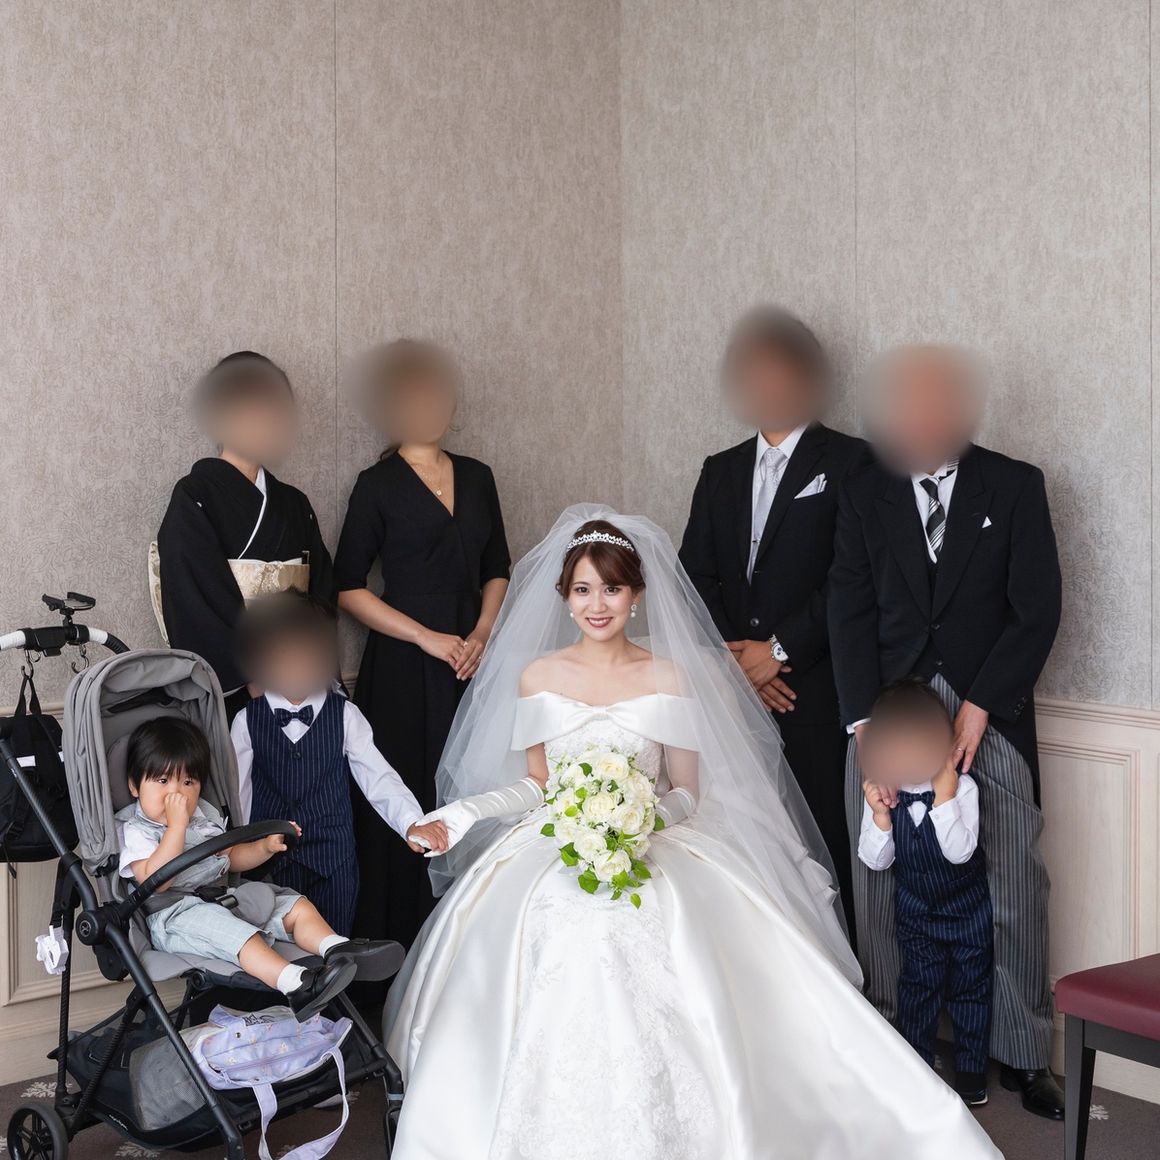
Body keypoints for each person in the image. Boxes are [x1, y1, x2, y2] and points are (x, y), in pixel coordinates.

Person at [383, 508, 1001, 1160]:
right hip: (556, 839)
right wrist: (460, 816)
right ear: (564, 597)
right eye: (584, 589)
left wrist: (638, 821)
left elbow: (685, 790)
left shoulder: (667, 677)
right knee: (557, 922)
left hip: (652, 837)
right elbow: (538, 785)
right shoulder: (537, 676)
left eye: (612, 588)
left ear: (636, 594)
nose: (598, 604)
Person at [828, 345, 1063, 1119]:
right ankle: (896, 1038)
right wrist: (863, 723)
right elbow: (847, 609)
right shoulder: (863, 491)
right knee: (879, 879)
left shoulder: (1016, 485)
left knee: (1012, 878)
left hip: (986, 706)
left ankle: (1023, 1054)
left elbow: (1038, 609)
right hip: (885, 707)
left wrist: (981, 702)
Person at [679, 306, 867, 933]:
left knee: (825, 844)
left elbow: (852, 578)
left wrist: (778, 652)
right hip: (732, 697)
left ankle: (842, 976)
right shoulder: (720, 469)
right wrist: (737, 664)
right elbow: (694, 575)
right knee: (747, 845)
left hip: (816, 692)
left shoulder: (855, 463)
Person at [335, 340, 510, 953]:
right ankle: (400, 956)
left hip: (473, 662)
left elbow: (498, 567)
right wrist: (425, 637)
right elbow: (346, 587)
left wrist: (482, 633)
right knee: (407, 799)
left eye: (436, 396)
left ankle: (466, 949)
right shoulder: (376, 485)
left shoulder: (480, 477)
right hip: (404, 669)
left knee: (473, 791)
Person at [115, 717, 396, 1019]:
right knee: (242, 935)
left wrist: (264, 847)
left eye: (188, 782)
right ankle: (297, 985)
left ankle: (338, 949)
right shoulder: (137, 830)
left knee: (295, 906)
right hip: (176, 916)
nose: (177, 794)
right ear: (134, 786)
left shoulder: (203, 817)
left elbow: (230, 858)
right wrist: (177, 827)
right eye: (162, 781)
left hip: (223, 899)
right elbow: (155, 881)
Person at [231, 591, 450, 935]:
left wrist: (411, 821)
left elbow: (378, 776)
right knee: (272, 950)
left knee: (331, 949)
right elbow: (238, 792)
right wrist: (239, 852)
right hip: (268, 865)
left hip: (333, 865)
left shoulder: (345, 715)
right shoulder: (247, 720)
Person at [153, 351, 335, 718]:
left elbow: (322, 590)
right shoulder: (195, 497)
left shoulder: (295, 503)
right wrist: (255, 673)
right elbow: (195, 595)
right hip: (237, 688)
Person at [858, 679, 993, 1107]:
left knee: (971, 989)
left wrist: (945, 798)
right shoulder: (885, 794)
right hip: (916, 914)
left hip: (967, 913)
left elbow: (960, 852)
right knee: (918, 989)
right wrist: (880, 818)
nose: (912, 762)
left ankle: (971, 1069)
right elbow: (875, 861)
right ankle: (916, 1065)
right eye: (900, 753)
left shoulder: (962, 788)